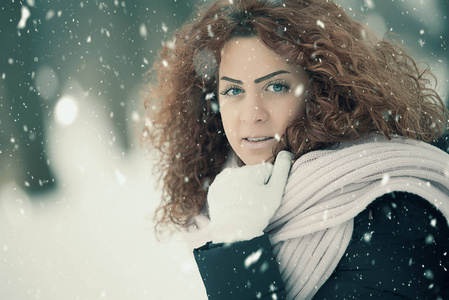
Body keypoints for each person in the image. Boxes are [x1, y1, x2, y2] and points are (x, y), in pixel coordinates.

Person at [143, 0, 449, 299]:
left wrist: (238, 240)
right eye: (233, 90)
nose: (252, 114)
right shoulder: (226, 202)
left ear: (322, 91)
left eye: (276, 86)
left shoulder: (388, 217)